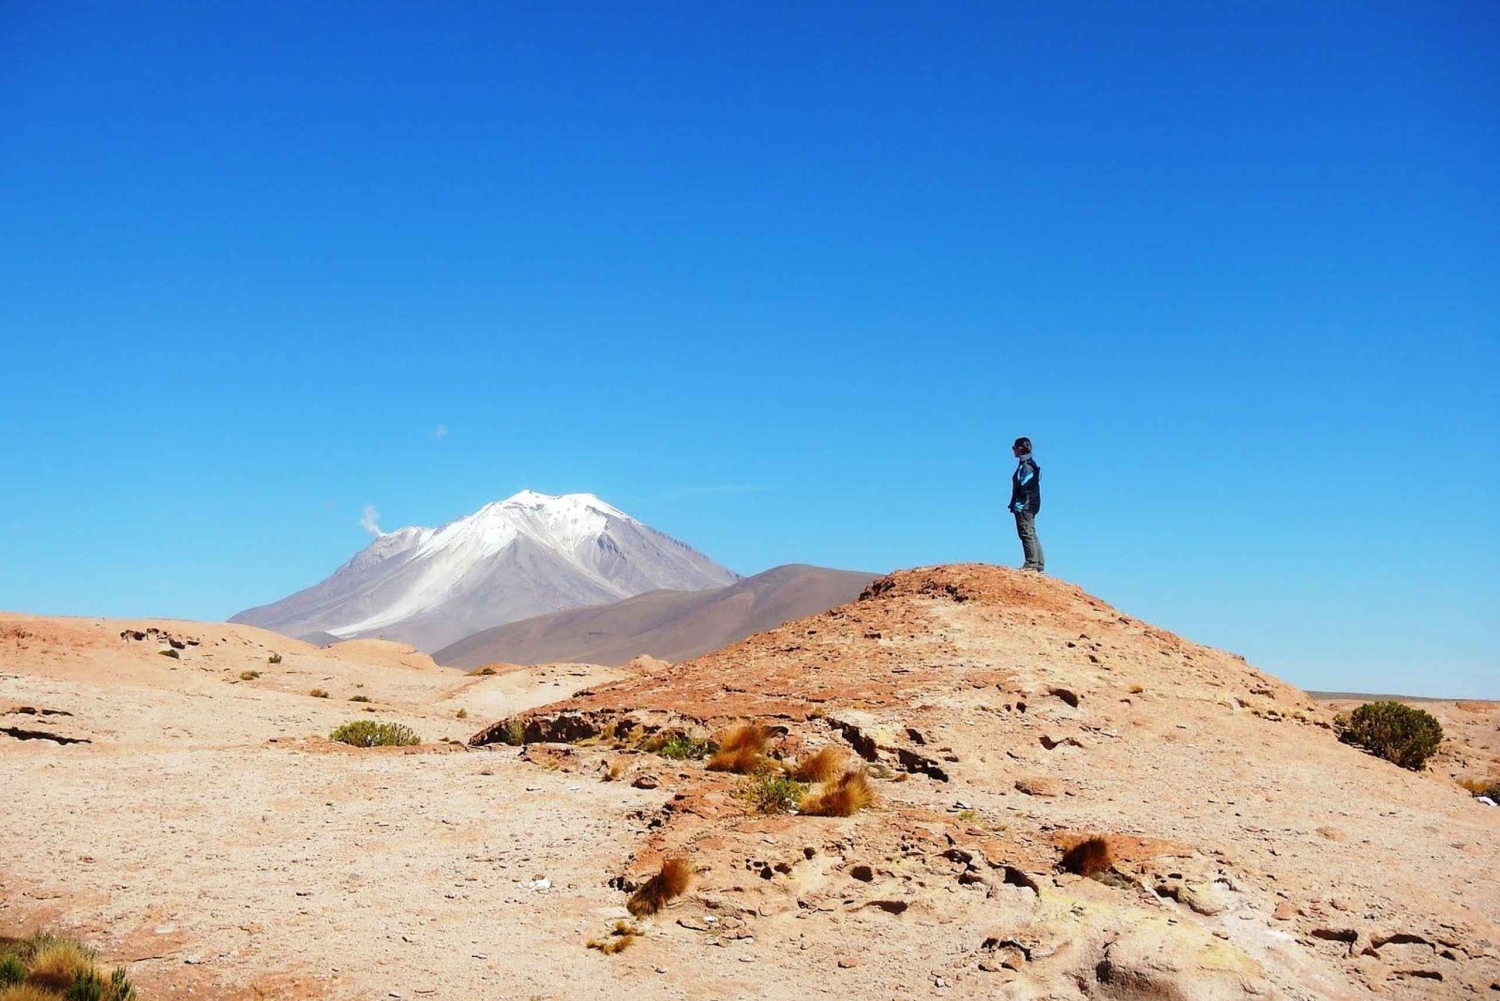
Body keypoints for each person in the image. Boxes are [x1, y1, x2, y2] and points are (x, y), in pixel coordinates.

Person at [1008, 436, 1044, 573]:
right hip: (1030, 504)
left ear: (1020, 448)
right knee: (1031, 532)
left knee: (1026, 533)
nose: (1013, 450)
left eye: (1014, 448)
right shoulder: (1029, 464)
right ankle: (1038, 563)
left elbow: (1025, 486)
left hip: (1025, 505)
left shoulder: (1027, 465)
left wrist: (1018, 503)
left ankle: (1032, 563)